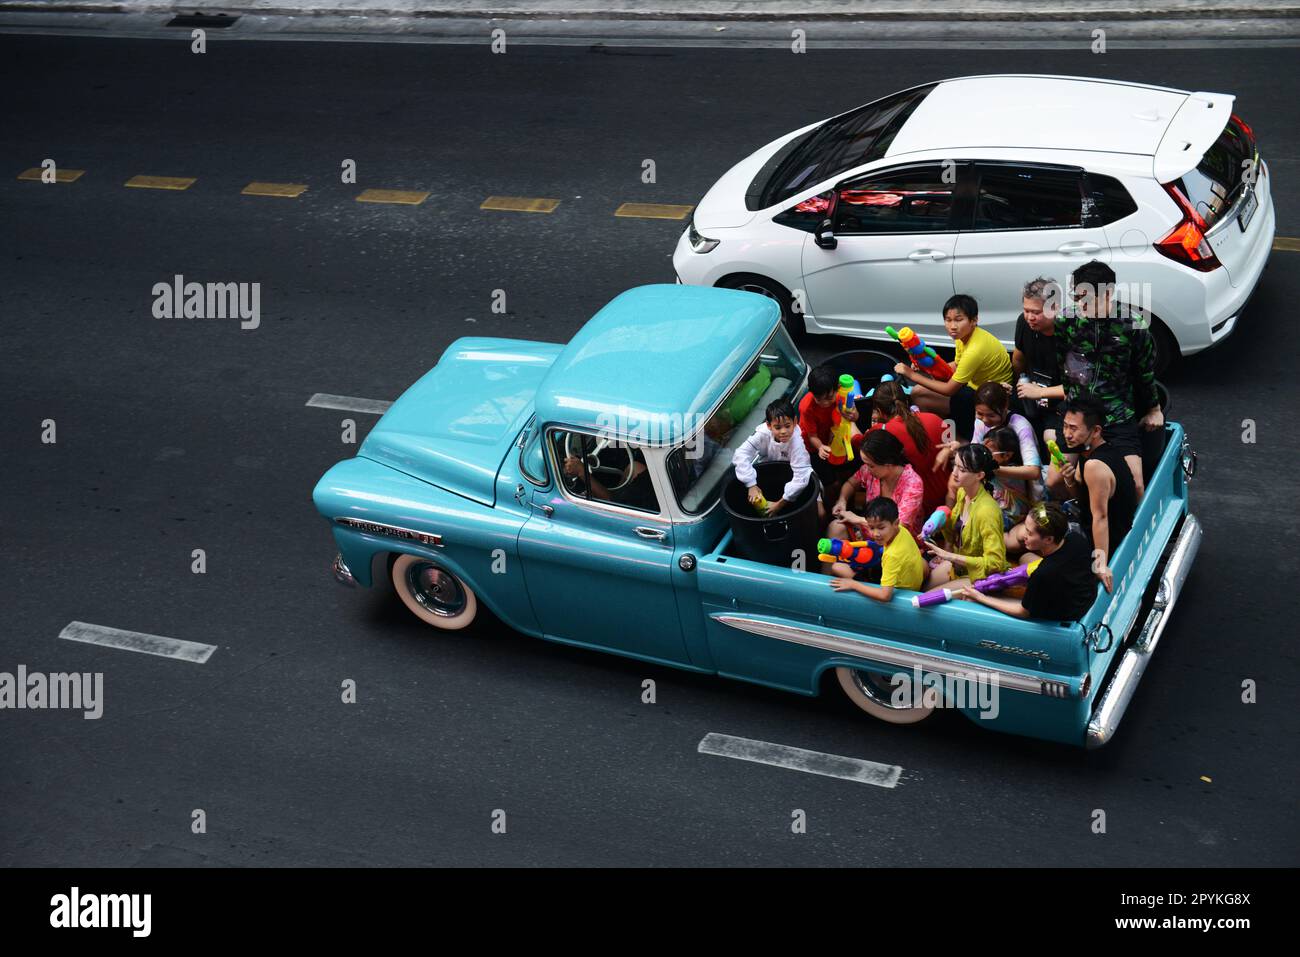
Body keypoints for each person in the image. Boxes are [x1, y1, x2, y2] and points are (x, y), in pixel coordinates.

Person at [1054, 260, 1163, 501]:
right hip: (1078, 414)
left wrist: (1154, 409)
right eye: (1077, 297)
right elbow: (1064, 365)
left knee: (1134, 486)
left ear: (1109, 293)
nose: (1081, 305)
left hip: (1116, 414)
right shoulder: (1065, 321)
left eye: (1088, 298)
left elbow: (1144, 372)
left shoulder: (1133, 324)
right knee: (1056, 480)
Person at [893, 294, 1012, 441]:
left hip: (990, 397)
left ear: (974, 320)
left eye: (958, 319)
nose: (952, 326)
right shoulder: (964, 336)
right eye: (948, 320)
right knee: (918, 391)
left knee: (919, 394)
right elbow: (957, 365)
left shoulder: (975, 349)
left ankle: (958, 441)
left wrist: (910, 374)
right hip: (975, 386)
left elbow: (950, 389)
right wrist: (925, 368)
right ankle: (944, 433)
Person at [954, 502, 1097, 620]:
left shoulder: (1043, 574)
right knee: (1025, 557)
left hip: (1065, 614)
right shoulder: (1076, 539)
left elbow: (1023, 612)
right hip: (1085, 596)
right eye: (1025, 528)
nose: (1023, 535)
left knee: (972, 600)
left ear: (1048, 539)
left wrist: (981, 598)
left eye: (1029, 532)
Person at [1056, 393, 1136, 593]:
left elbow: (1100, 517)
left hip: (1106, 537)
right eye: (1065, 426)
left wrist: (1100, 564)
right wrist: (1069, 479)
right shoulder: (1087, 453)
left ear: (1096, 430)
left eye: (1073, 428)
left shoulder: (1095, 465)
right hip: (1087, 525)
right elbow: (1082, 498)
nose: (1066, 434)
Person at [924, 442, 1009, 586]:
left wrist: (949, 556)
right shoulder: (963, 492)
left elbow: (995, 563)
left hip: (981, 577)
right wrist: (939, 519)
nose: (954, 473)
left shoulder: (987, 511)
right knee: (922, 589)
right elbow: (955, 525)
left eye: (962, 469)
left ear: (980, 475)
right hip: (960, 567)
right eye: (954, 465)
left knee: (927, 602)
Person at [868, 379, 950, 514]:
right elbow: (952, 448)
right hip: (949, 496)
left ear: (879, 411)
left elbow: (856, 441)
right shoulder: (935, 418)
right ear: (906, 402)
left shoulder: (880, 432)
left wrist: (852, 421)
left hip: (915, 507)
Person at [828, 429, 924, 543]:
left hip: (899, 542)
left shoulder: (913, 484)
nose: (866, 469)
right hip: (870, 534)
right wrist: (842, 500)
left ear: (888, 464)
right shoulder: (871, 471)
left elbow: (898, 528)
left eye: (870, 465)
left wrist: (858, 519)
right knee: (835, 527)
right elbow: (852, 483)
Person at [828, 496, 926, 602]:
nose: (875, 534)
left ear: (896, 523)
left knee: (837, 567)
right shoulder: (900, 530)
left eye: (881, 528)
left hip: (898, 591)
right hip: (909, 578)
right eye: (871, 528)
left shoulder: (892, 555)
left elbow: (885, 596)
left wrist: (853, 584)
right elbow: (876, 524)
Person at [1012, 276, 1065, 458]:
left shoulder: (1070, 334)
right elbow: (1018, 359)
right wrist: (1015, 384)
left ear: (1054, 308)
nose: (1030, 318)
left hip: (1059, 402)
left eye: (1036, 312)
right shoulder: (1024, 323)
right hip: (1030, 392)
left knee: (1049, 438)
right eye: (1026, 310)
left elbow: (1078, 388)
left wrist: (1040, 392)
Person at [732, 399, 812, 516]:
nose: (783, 431)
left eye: (787, 426)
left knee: (819, 513)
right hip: (771, 475)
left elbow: (802, 478)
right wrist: (751, 485)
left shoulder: (797, 444)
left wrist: (779, 504)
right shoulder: (762, 434)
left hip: (793, 479)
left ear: (795, 422)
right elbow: (741, 454)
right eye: (778, 427)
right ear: (769, 425)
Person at [799, 364, 859, 510]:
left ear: (837, 388)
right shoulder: (806, 407)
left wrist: (852, 415)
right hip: (815, 447)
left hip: (837, 439)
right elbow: (811, 435)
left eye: (829, 397)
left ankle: (849, 499)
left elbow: (855, 416)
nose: (825, 403)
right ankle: (830, 506)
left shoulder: (842, 396)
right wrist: (820, 447)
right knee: (831, 483)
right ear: (811, 392)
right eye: (819, 399)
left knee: (848, 471)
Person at [983, 426, 1035, 537]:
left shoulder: (1013, 472)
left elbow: (994, 472)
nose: (983, 455)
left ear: (1007, 455)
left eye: (988, 453)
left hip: (1009, 518)